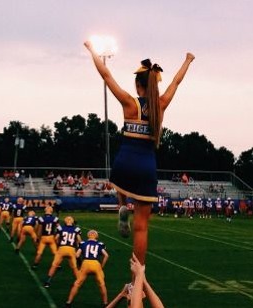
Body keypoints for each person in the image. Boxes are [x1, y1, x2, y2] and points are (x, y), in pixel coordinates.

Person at [84, 40, 195, 264]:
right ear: (154, 84)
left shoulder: (129, 103)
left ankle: (122, 206)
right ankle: (138, 276)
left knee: (120, 181)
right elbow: (176, 81)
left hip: (124, 163)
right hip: (146, 167)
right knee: (142, 228)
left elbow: (105, 74)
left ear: (137, 85)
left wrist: (91, 50)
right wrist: (187, 60)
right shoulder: (161, 105)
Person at [65, 229, 109, 308]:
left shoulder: (83, 243)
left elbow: (77, 255)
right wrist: (102, 266)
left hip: (85, 263)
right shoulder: (100, 244)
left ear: (88, 235)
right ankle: (105, 303)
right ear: (96, 236)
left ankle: (69, 302)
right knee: (102, 284)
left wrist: (80, 263)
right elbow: (106, 255)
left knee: (77, 284)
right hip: (96, 264)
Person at [44, 216, 82, 288]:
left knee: (54, 265)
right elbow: (79, 240)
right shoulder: (76, 229)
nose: (69, 219)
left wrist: (59, 244)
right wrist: (77, 247)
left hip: (62, 248)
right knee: (74, 267)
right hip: (71, 249)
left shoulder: (60, 228)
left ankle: (48, 281)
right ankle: (78, 282)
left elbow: (56, 238)